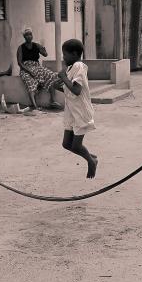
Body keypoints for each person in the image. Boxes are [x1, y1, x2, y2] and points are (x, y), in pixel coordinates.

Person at [56, 39, 98, 179]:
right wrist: (54, 84)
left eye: (65, 55)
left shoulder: (79, 66)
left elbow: (76, 90)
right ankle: (91, 157)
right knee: (66, 144)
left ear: (74, 54)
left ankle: (91, 161)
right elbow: (68, 90)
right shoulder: (70, 68)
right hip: (71, 112)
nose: (63, 58)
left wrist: (63, 77)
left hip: (80, 112)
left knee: (75, 146)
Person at [17, 27, 62, 110]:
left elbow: (45, 54)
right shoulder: (21, 48)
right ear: (24, 36)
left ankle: (52, 101)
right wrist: (29, 70)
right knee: (29, 81)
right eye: (27, 35)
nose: (29, 36)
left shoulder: (36, 45)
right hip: (26, 68)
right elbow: (20, 63)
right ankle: (35, 106)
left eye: (30, 34)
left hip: (37, 67)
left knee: (50, 75)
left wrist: (43, 49)